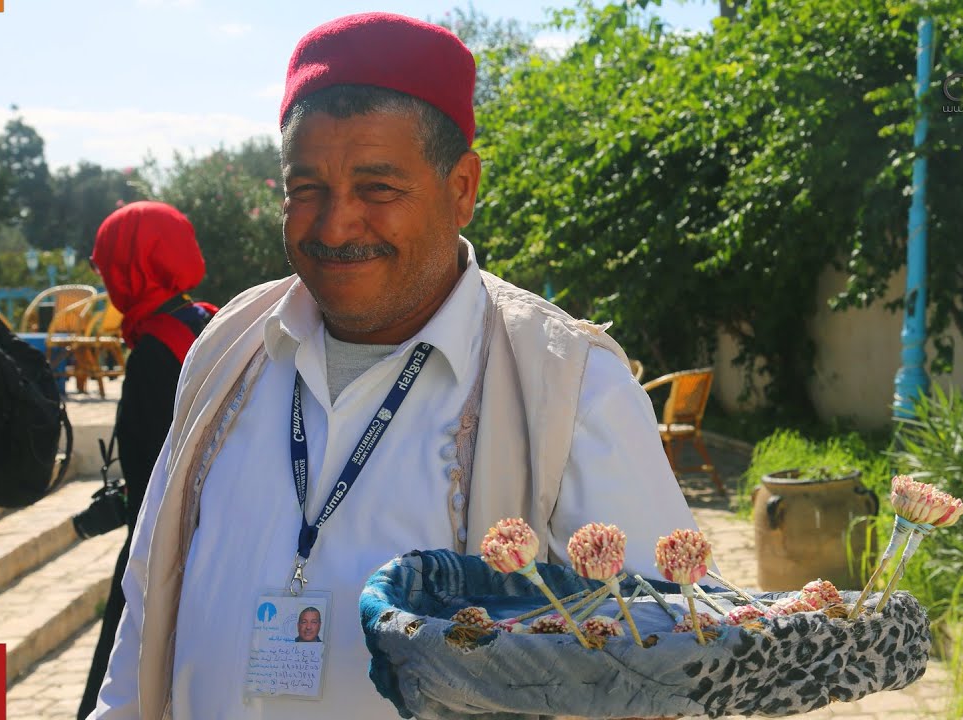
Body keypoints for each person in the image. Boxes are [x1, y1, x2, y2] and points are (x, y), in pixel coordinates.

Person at [90, 13, 699, 720]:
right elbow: (147, 594)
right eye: (307, 188)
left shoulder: (569, 386)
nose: (334, 225)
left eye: (377, 189)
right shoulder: (229, 349)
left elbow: (671, 665)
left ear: (462, 187)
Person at [76, 203, 216, 720]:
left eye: (107, 264)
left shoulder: (154, 352)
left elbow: (152, 489)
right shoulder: (213, 322)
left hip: (163, 559)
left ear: (131, 267)